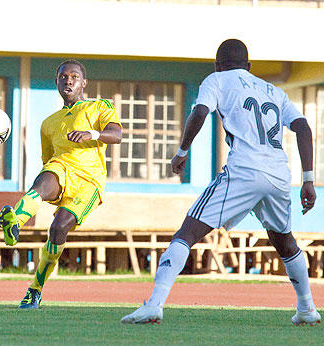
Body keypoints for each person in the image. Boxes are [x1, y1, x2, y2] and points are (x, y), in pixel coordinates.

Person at [121, 39, 321, 326]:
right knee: (284, 241)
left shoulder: (216, 80)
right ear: (249, 66)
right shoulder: (273, 90)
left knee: (187, 233)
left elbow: (200, 112)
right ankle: (307, 308)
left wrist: (182, 151)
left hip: (244, 170)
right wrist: (309, 180)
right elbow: (302, 126)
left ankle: (154, 304)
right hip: (279, 174)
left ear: (217, 65)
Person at [0, 59, 122, 309]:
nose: (69, 80)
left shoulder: (99, 106)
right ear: (56, 82)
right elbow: (48, 159)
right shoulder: (48, 123)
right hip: (61, 167)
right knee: (44, 179)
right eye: (63, 76)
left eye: (74, 76)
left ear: (84, 83)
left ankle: (35, 289)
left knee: (58, 227)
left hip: (89, 181)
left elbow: (116, 135)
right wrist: (53, 171)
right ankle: (15, 223)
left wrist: (93, 134)